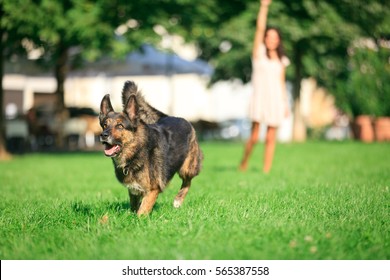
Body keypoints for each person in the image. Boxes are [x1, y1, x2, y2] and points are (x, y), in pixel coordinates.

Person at [239, 0, 289, 173]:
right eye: (269, 37)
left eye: (275, 37)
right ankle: (244, 162)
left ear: (278, 40)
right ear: (265, 39)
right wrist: (264, 6)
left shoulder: (282, 60)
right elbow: (260, 28)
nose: (271, 40)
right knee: (254, 136)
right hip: (260, 99)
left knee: (270, 137)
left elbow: (281, 83)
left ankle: (266, 170)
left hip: (276, 101)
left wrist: (285, 104)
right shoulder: (259, 54)